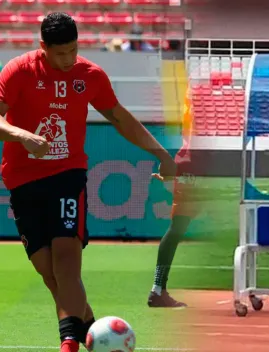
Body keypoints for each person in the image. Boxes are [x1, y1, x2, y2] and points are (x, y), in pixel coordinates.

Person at [0, 12, 176, 352]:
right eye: (60, 53)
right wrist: (21, 135)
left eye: (73, 51)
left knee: (66, 259)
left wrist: (162, 154)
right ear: (43, 47)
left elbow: (119, 116)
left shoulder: (90, 75)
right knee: (48, 272)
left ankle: (68, 342)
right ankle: (91, 332)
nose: (68, 60)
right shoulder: (19, 70)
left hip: (68, 175)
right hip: (22, 179)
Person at [148, 87, 202, 308]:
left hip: (190, 160)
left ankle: (158, 289)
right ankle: (158, 289)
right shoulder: (199, 105)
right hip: (201, 161)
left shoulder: (192, 104)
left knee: (177, 228)